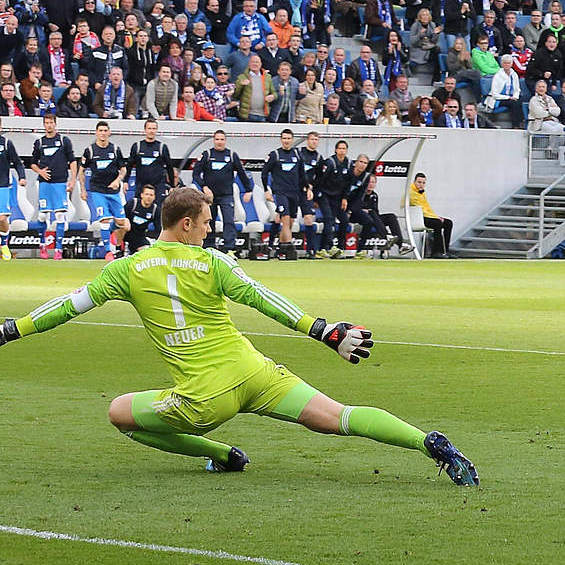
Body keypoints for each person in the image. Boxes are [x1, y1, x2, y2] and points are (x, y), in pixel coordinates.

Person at [0, 187, 478, 483]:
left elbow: (64, 307)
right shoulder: (213, 263)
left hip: (204, 398)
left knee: (120, 413)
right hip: (255, 372)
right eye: (205, 224)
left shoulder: (123, 270)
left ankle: (223, 456)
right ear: (185, 225)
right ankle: (429, 444)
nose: (209, 232)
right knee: (339, 416)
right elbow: (261, 298)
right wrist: (322, 331)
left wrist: (8, 330)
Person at [191, 129, 253, 256]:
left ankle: (229, 248)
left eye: (222, 139)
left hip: (226, 195)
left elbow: (242, 173)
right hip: (209, 197)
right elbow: (195, 174)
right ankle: (208, 247)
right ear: (214, 140)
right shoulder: (207, 154)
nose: (219, 142)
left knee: (229, 220)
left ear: (225, 141)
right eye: (217, 139)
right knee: (209, 221)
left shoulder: (231, 155)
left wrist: (248, 190)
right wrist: (204, 187)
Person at [80, 120, 131, 260]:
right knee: (104, 220)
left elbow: (123, 169)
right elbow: (81, 171)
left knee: (123, 223)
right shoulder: (90, 150)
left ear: (109, 132)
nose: (102, 133)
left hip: (113, 192)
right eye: (100, 131)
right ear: (96, 133)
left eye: (105, 130)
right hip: (97, 190)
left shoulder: (115, 149)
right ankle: (109, 251)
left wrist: (117, 181)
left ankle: (113, 233)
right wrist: (83, 190)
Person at [30, 113, 76, 259]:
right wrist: (40, 171)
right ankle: (42, 244)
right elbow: (32, 162)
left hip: (60, 183)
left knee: (60, 215)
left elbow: (73, 161)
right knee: (43, 215)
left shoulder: (63, 141)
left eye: (51, 122)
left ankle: (58, 249)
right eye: (46, 122)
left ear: (55, 124)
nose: (48, 125)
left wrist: (73, 180)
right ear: (44, 124)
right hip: (45, 184)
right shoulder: (40, 142)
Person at [261, 128, 308, 260]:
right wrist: (267, 190)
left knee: (291, 223)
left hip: (295, 193)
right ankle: (288, 250)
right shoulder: (275, 155)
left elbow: (302, 174)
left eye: (289, 138)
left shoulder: (297, 155)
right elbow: (264, 173)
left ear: (292, 140)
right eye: (284, 138)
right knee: (285, 221)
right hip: (281, 193)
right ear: (281, 140)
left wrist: (307, 188)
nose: (286, 141)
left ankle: (281, 249)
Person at [315, 140, 355, 259]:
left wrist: (344, 198)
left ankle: (340, 248)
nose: (342, 151)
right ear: (336, 150)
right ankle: (329, 247)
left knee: (344, 220)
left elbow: (349, 183)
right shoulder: (330, 162)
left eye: (344, 149)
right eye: (340, 148)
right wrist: (317, 198)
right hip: (325, 195)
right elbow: (320, 180)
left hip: (337, 197)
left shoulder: (348, 164)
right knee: (329, 219)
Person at [409, 172, 451, 259]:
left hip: (425, 216)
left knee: (448, 223)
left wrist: (436, 216)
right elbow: (422, 210)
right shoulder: (411, 193)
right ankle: (436, 252)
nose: (421, 185)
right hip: (418, 219)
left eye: (423, 183)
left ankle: (445, 251)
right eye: (419, 182)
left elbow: (427, 208)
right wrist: (436, 218)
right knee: (437, 223)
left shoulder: (421, 193)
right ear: (414, 182)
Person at [0, 115, 24, 260]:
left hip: (2, 186)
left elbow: (17, 162)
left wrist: (22, 176)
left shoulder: (6, 143)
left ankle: (4, 244)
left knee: (2, 218)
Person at [123, 182, 160, 253]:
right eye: (146, 194)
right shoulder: (133, 203)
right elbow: (121, 218)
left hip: (140, 236)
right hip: (126, 233)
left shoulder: (155, 210)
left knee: (146, 252)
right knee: (122, 225)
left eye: (151, 195)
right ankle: (118, 249)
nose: (148, 197)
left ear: (154, 197)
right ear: (142, 195)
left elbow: (158, 228)